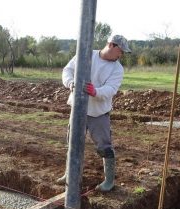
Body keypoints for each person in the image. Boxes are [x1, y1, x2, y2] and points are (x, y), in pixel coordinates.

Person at [56, 35, 131, 192]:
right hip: (78, 109)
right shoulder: (86, 55)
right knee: (73, 142)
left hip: (99, 113)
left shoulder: (117, 68)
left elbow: (111, 89)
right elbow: (67, 70)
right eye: (121, 51)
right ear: (111, 45)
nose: (121, 55)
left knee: (104, 146)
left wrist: (95, 91)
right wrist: (70, 82)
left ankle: (109, 181)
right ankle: (69, 174)